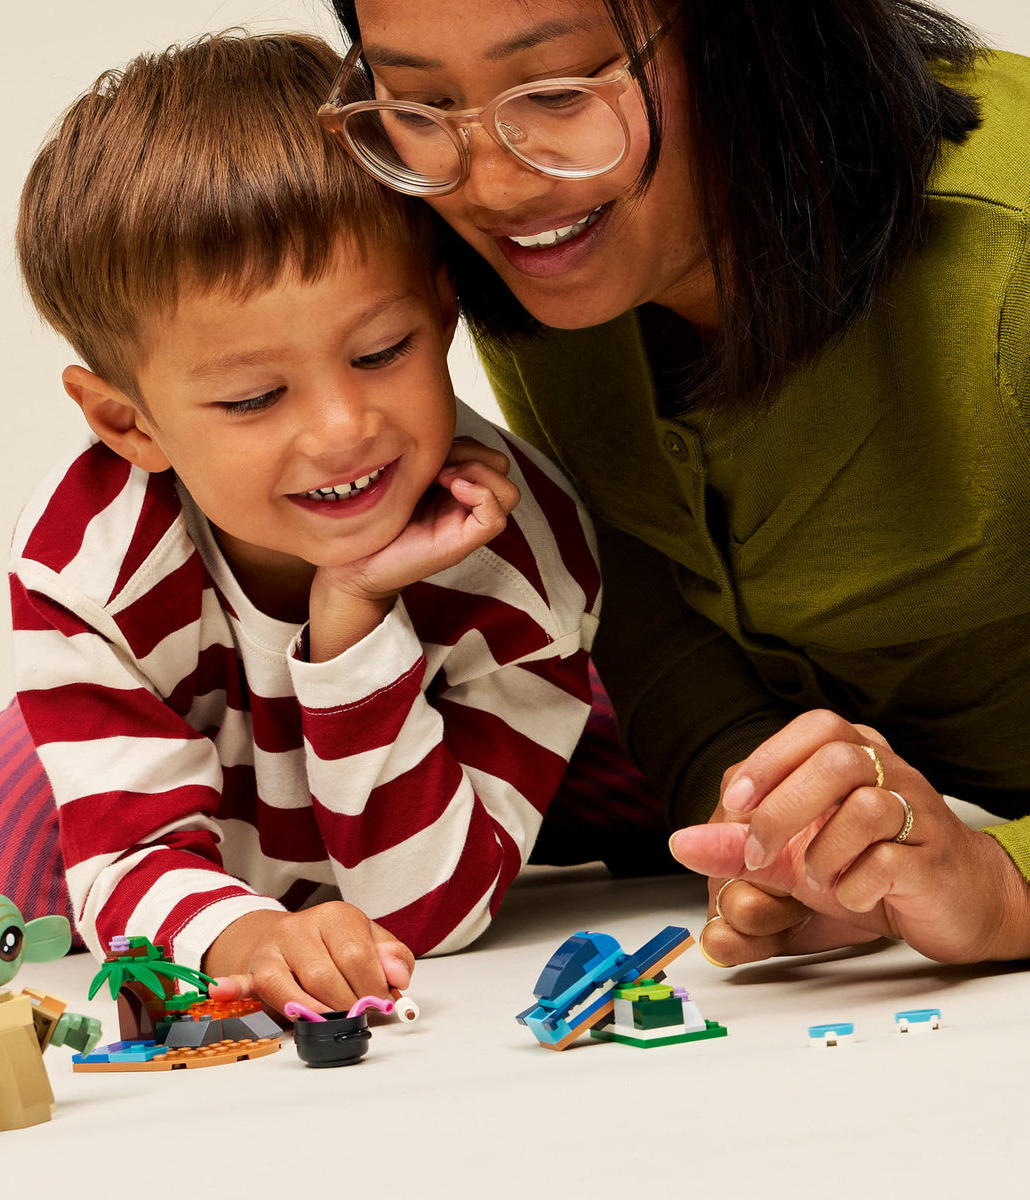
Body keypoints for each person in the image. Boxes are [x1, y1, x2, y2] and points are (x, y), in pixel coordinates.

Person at [0, 31, 604, 1015]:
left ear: (441, 313)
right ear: (128, 424)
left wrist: (353, 615)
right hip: (188, 736)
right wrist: (244, 935)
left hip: (450, 732)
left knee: (657, 798)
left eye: (382, 352)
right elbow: (132, 853)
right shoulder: (89, 562)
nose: (342, 429)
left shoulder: (517, 547)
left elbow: (427, 917)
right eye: (255, 399)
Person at [324, 0, 1030, 966]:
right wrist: (772, 835)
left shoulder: (1009, 251)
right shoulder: (546, 253)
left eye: (560, 91)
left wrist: (1003, 886)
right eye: (419, 103)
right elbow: (647, 603)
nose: (493, 185)